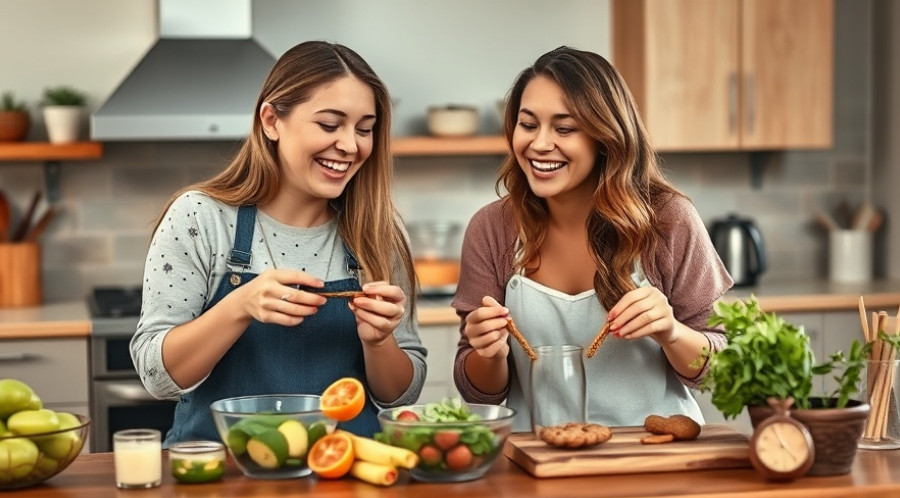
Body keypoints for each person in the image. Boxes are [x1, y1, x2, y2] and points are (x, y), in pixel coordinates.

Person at [131, 41, 426, 444]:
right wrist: (239, 306)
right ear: (271, 120)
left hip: (344, 475)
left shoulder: (378, 232)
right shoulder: (200, 217)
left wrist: (379, 342)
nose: (350, 145)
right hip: (219, 477)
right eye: (329, 124)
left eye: (364, 129)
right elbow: (157, 377)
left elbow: (400, 396)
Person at [451, 46, 733, 432]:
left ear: (606, 136)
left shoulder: (669, 220)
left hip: (651, 461)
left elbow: (722, 370)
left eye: (564, 128)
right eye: (528, 124)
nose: (539, 144)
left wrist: (671, 332)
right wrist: (488, 352)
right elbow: (479, 392)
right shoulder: (491, 229)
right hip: (537, 463)